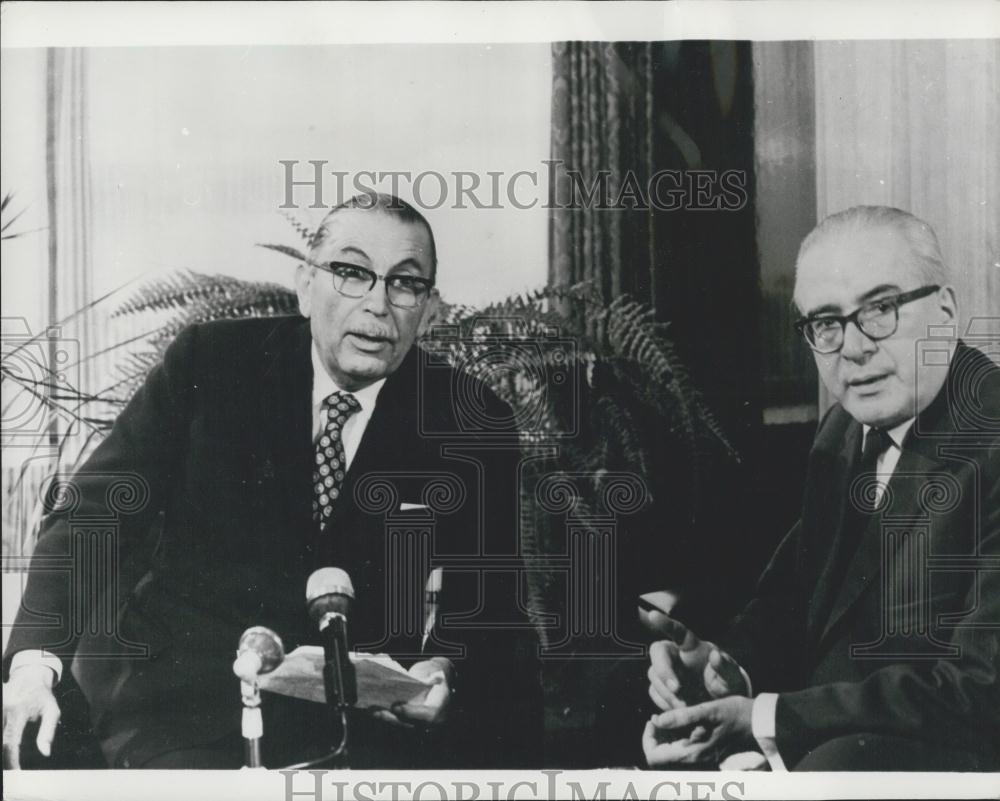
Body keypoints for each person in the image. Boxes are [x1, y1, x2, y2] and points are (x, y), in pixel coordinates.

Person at [3, 193, 541, 769]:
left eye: (404, 284)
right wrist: (33, 668)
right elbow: (95, 512)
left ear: (429, 310)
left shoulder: (468, 419)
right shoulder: (211, 365)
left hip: (360, 731)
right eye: (352, 273)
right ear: (306, 286)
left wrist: (443, 673)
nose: (378, 305)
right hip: (184, 716)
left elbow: (489, 611)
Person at [642, 206, 1000, 771]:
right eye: (826, 323)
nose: (853, 349)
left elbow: (981, 689)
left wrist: (767, 717)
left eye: (881, 309)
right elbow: (799, 598)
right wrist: (725, 664)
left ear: (946, 311)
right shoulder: (844, 430)